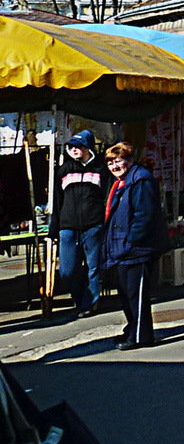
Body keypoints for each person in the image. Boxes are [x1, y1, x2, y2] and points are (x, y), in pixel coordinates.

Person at [101, 142, 169, 350]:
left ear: (130, 160)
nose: (114, 166)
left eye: (118, 161)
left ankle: (141, 336)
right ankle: (132, 329)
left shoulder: (141, 180)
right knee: (126, 294)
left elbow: (144, 216)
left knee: (136, 295)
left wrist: (131, 240)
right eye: (111, 162)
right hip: (124, 248)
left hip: (138, 249)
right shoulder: (120, 182)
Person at [50, 129, 107, 319]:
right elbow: (57, 201)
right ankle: (80, 297)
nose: (74, 150)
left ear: (88, 146)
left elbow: (106, 197)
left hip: (93, 224)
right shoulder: (64, 170)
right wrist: (54, 226)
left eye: (79, 146)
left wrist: (104, 221)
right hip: (68, 226)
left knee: (93, 266)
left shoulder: (101, 169)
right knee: (67, 270)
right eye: (71, 146)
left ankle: (88, 304)